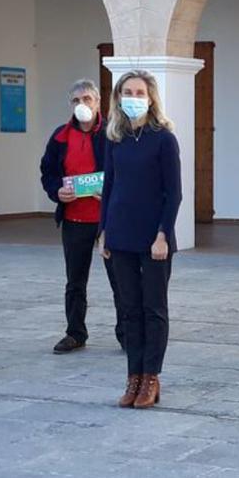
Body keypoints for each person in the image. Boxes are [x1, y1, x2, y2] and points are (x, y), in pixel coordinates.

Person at [101, 70, 181, 409]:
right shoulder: (114, 137)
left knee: (153, 308)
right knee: (129, 309)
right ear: (118, 97)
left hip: (154, 238)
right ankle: (133, 376)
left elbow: (173, 192)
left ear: (150, 98)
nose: (133, 98)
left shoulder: (163, 138)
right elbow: (109, 187)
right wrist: (104, 230)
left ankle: (151, 377)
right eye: (127, 92)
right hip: (120, 234)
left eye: (139, 92)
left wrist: (163, 233)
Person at [40, 79, 125, 354]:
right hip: (74, 221)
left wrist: (110, 192)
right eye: (76, 101)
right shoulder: (60, 136)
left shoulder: (114, 133)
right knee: (75, 281)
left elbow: (125, 171)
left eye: (87, 99)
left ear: (98, 102)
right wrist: (56, 192)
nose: (82, 105)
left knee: (120, 281)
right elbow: (48, 172)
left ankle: (126, 333)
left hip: (108, 222)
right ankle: (75, 333)